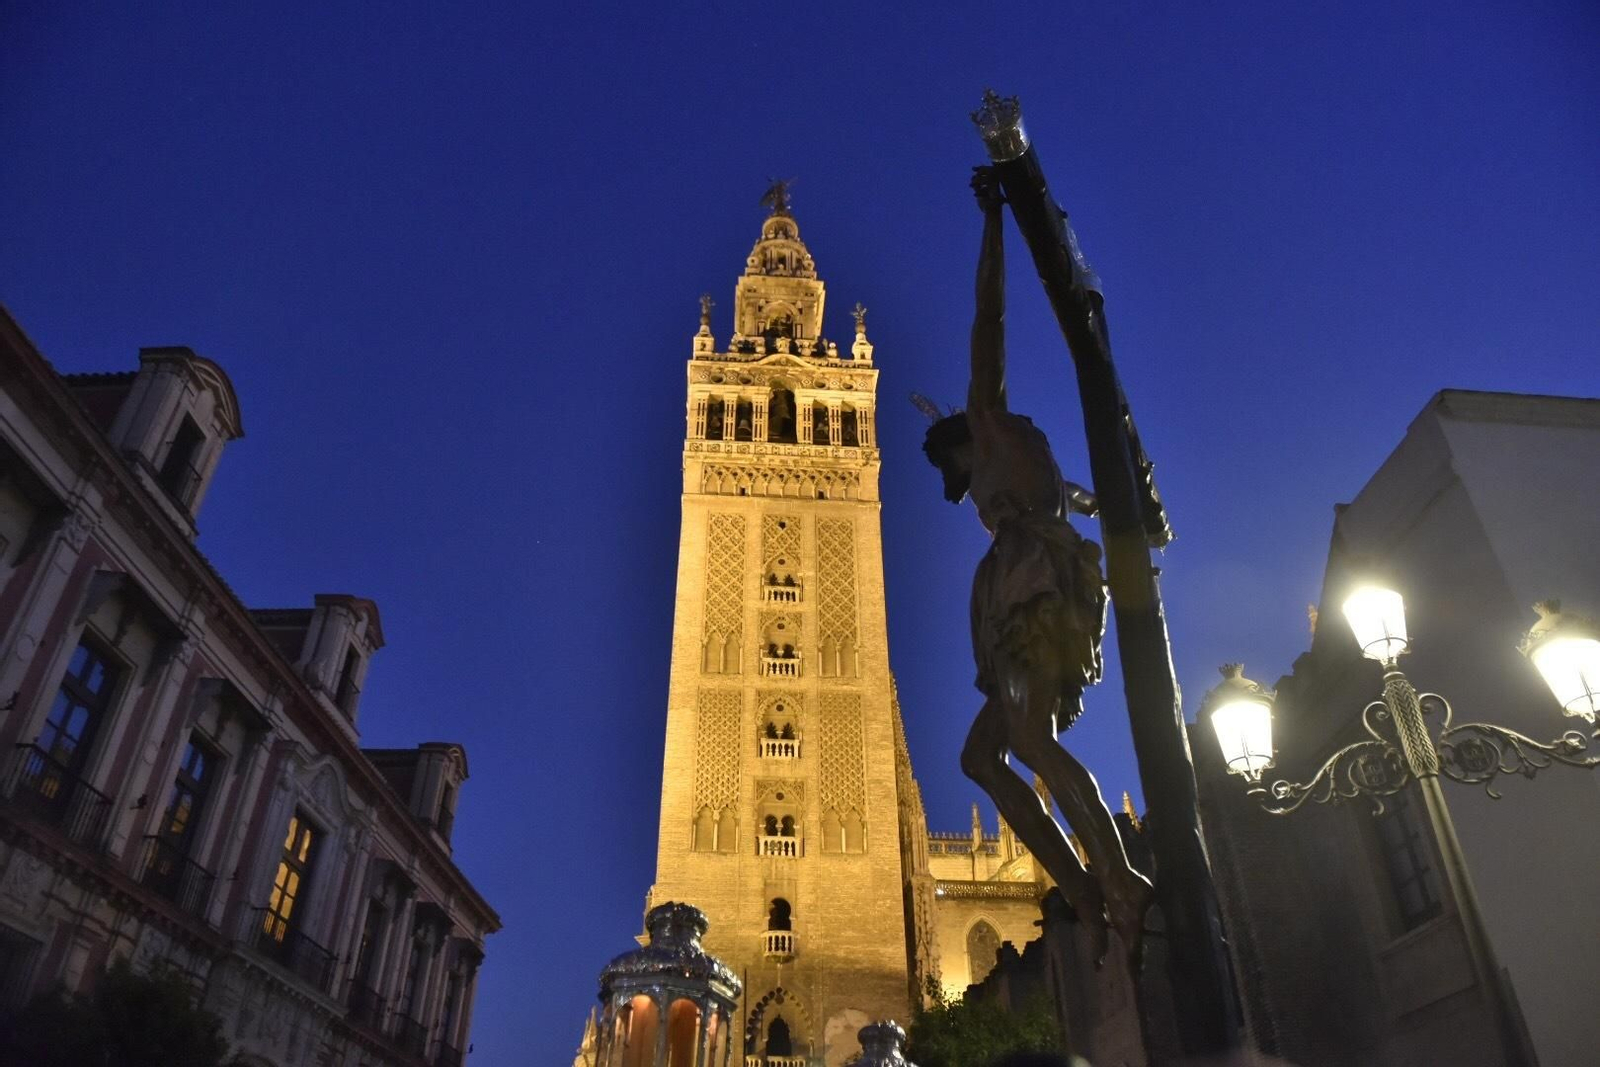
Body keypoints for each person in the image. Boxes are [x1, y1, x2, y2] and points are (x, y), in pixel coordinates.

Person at [922, 167, 1152, 965]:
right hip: (1030, 583)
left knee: (1030, 741)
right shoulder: (1035, 468)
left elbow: (990, 315)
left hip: (1031, 586)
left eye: (946, 473)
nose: (954, 491)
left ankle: (1120, 873)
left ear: (957, 443)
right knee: (980, 755)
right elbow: (1079, 499)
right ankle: (1081, 892)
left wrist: (992, 217)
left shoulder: (988, 421)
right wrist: (1113, 510)